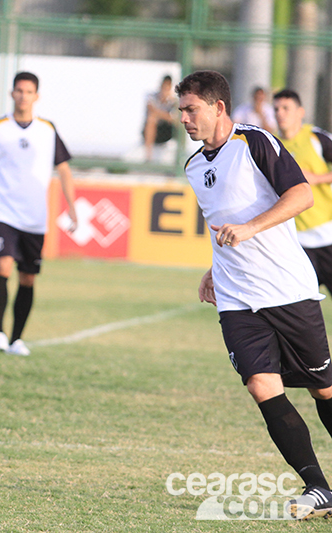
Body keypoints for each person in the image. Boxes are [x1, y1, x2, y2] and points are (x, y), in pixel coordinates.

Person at [177, 70, 332, 520]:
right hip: (236, 298)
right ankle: (318, 487)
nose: (184, 118)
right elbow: (222, 219)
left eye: (192, 109)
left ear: (218, 107)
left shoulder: (256, 142)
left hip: (287, 289)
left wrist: (250, 229)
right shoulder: (193, 166)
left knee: (323, 388)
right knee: (263, 387)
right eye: (181, 110)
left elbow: (301, 195)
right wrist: (213, 267)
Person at [0, 71, 78, 357]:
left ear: (36, 96)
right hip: (4, 212)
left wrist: (72, 208)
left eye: (28, 92)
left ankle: (17, 339)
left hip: (35, 217)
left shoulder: (48, 130)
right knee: (2, 267)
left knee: (28, 278)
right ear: (12, 93)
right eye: (19, 91)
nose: (23, 96)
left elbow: (63, 170)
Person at [273, 89, 332, 294]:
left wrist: (318, 178)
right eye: (276, 109)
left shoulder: (316, 138)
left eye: (286, 108)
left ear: (300, 112)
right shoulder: (271, 145)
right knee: (294, 304)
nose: (280, 113)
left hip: (327, 237)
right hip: (296, 244)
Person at [142, 75, 178, 162]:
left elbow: (175, 119)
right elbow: (151, 110)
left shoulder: (174, 101)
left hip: (168, 130)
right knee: (152, 119)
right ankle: (148, 156)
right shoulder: (152, 97)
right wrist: (165, 115)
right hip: (155, 128)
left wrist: (161, 114)